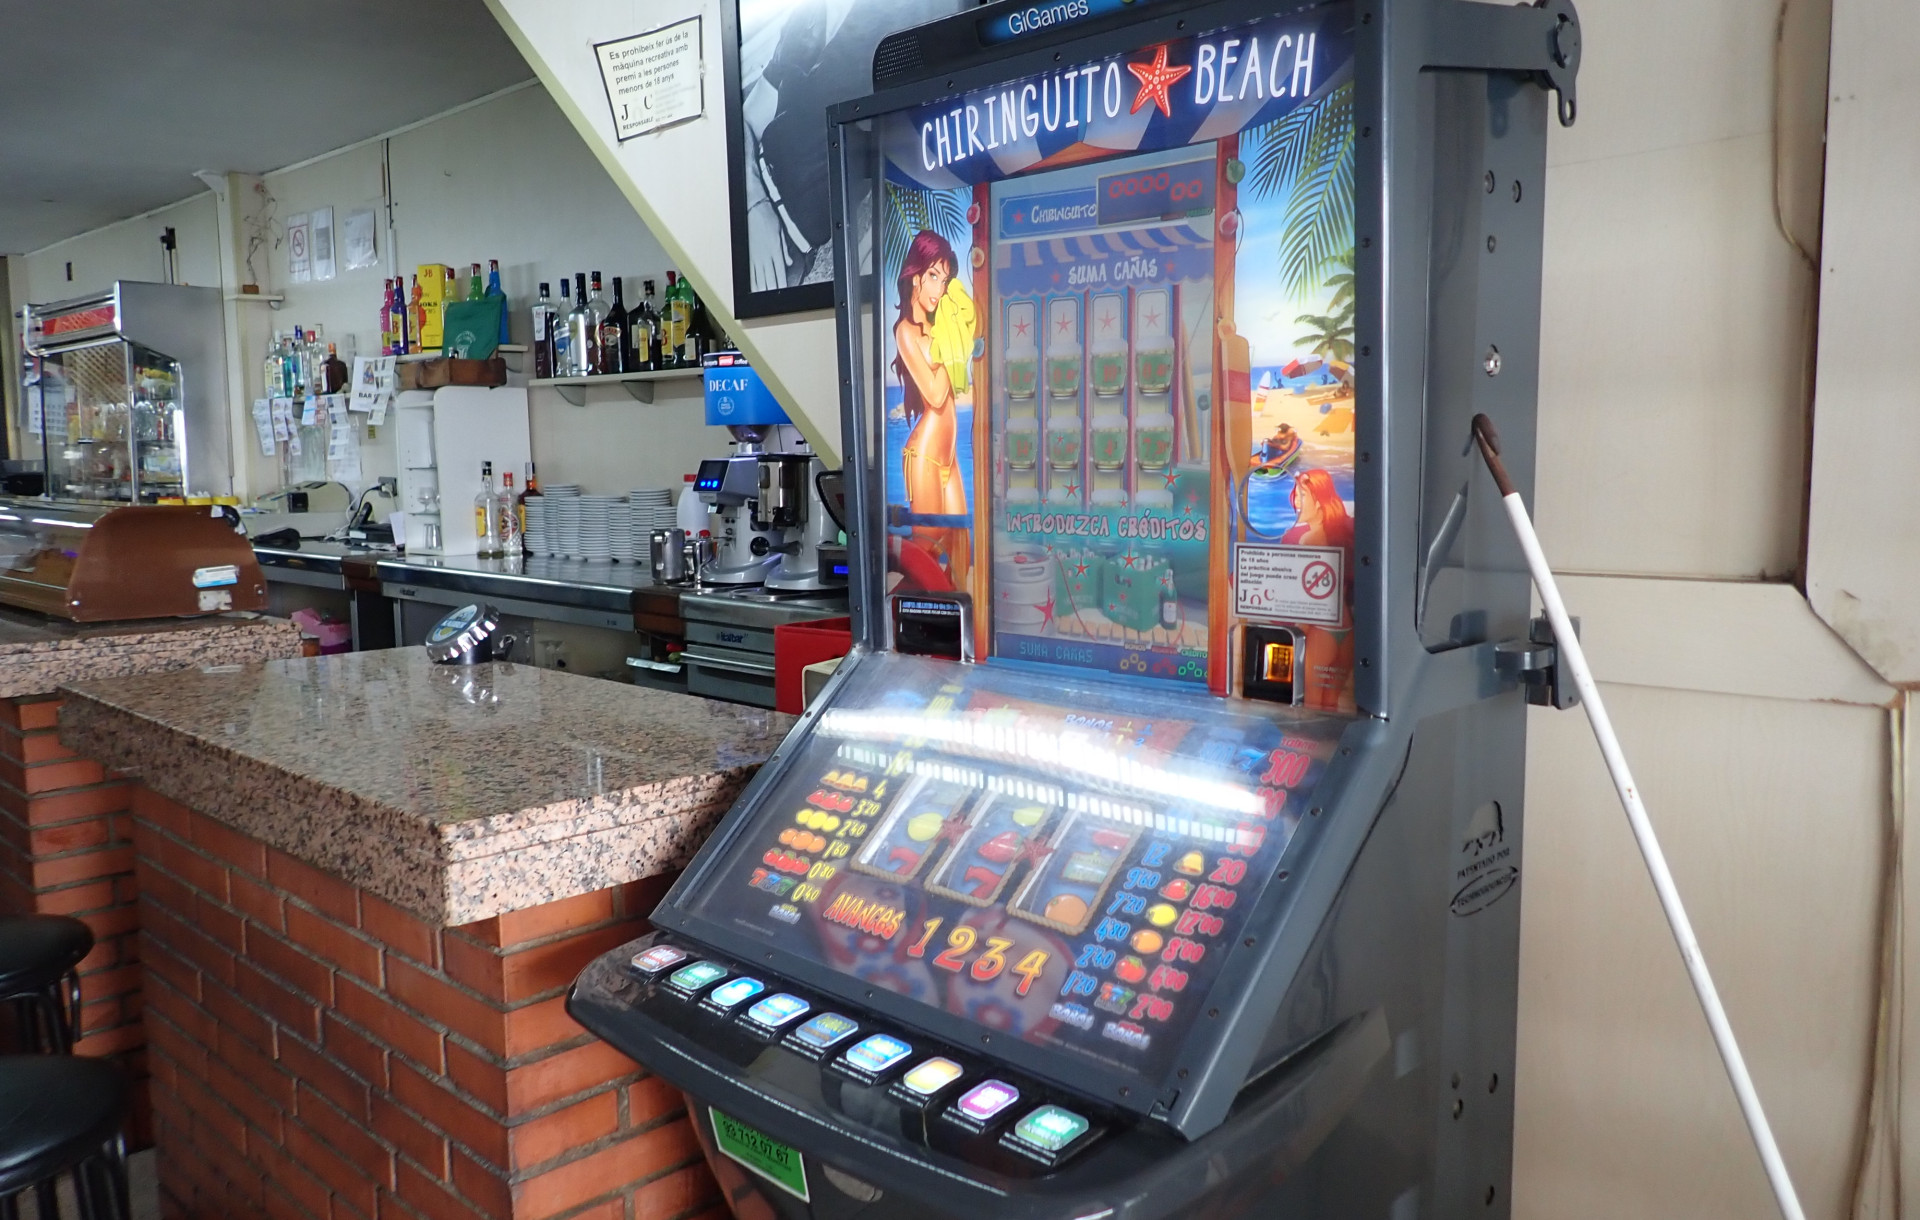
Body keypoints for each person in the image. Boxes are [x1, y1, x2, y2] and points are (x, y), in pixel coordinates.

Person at [894, 229, 973, 584]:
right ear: (916, 276)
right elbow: (937, 395)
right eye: (933, 276)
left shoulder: (941, 327)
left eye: (944, 279)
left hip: (948, 455)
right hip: (924, 454)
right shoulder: (906, 332)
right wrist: (949, 341)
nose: (939, 289)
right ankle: (898, 608)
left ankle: (950, 612)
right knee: (926, 548)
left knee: (961, 548)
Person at [1281, 468, 1355, 712]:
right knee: (1330, 706)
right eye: (1296, 494)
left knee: (1311, 706)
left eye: (1302, 495)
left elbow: (1306, 594)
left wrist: (1294, 632)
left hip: (1321, 631)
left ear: (1319, 500)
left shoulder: (1309, 539)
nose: (1296, 501)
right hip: (1347, 631)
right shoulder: (1342, 534)